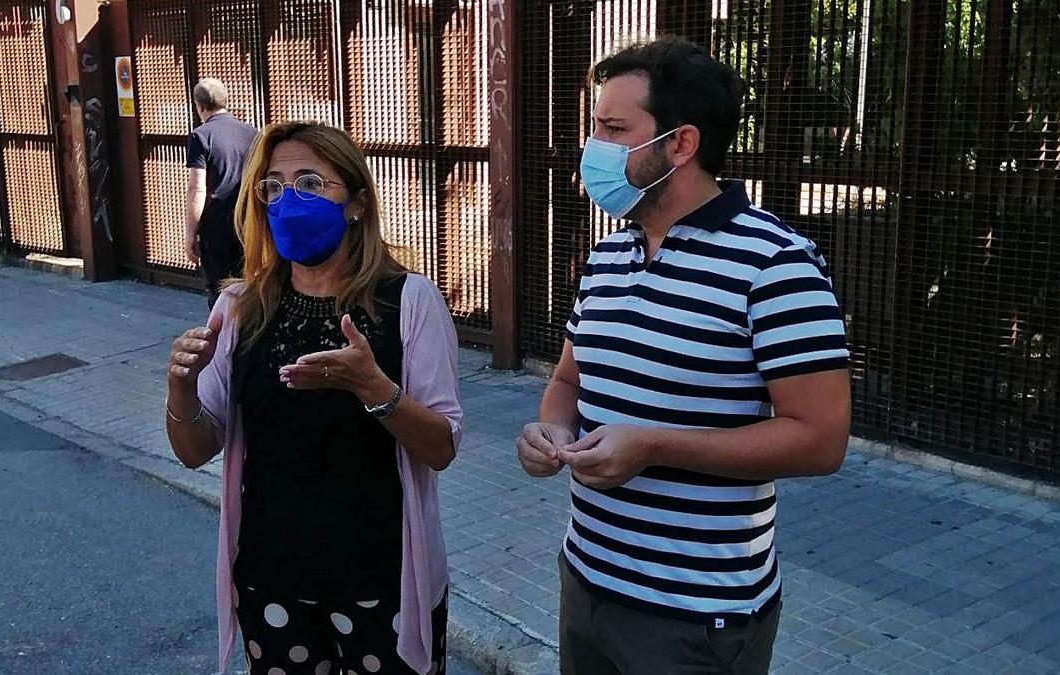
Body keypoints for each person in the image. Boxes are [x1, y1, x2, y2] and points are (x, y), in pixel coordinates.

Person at [516, 37, 851, 674]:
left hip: (696, 617)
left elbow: (821, 440)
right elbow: (567, 379)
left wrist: (653, 445)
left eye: (614, 130)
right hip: (585, 581)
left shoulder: (776, 263)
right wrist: (550, 429)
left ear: (681, 144)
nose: (595, 148)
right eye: (595, 127)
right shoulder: (609, 255)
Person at [165, 121, 462, 675]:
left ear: (354, 203)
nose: (287, 200)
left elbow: (442, 445)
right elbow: (194, 447)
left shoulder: (408, 303)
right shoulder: (239, 308)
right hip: (272, 580)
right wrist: (180, 390)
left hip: (382, 583)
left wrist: (375, 390)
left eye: (308, 182)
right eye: (273, 187)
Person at [185, 77, 258, 307]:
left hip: (216, 224)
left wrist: (190, 233)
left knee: (220, 293)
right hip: (249, 219)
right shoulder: (252, 133)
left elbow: (197, 188)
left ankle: (224, 339)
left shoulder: (200, 136)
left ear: (200, 106)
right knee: (250, 284)